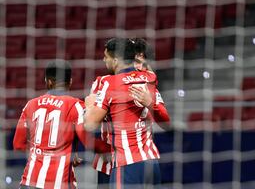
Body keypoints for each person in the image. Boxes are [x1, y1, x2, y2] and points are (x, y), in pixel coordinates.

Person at [13, 60, 110, 189]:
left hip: (30, 182)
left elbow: (18, 145)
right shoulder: (75, 105)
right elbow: (88, 142)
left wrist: (39, 153)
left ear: (47, 81)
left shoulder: (30, 104)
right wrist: (113, 148)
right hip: (60, 184)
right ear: (70, 81)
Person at [84, 38, 165, 188]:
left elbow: (89, 122)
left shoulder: (147, 82)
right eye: (137, 61)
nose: (140, 66)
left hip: (129, 158)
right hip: (108, 160)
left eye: (143, 63)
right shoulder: (102, 82)